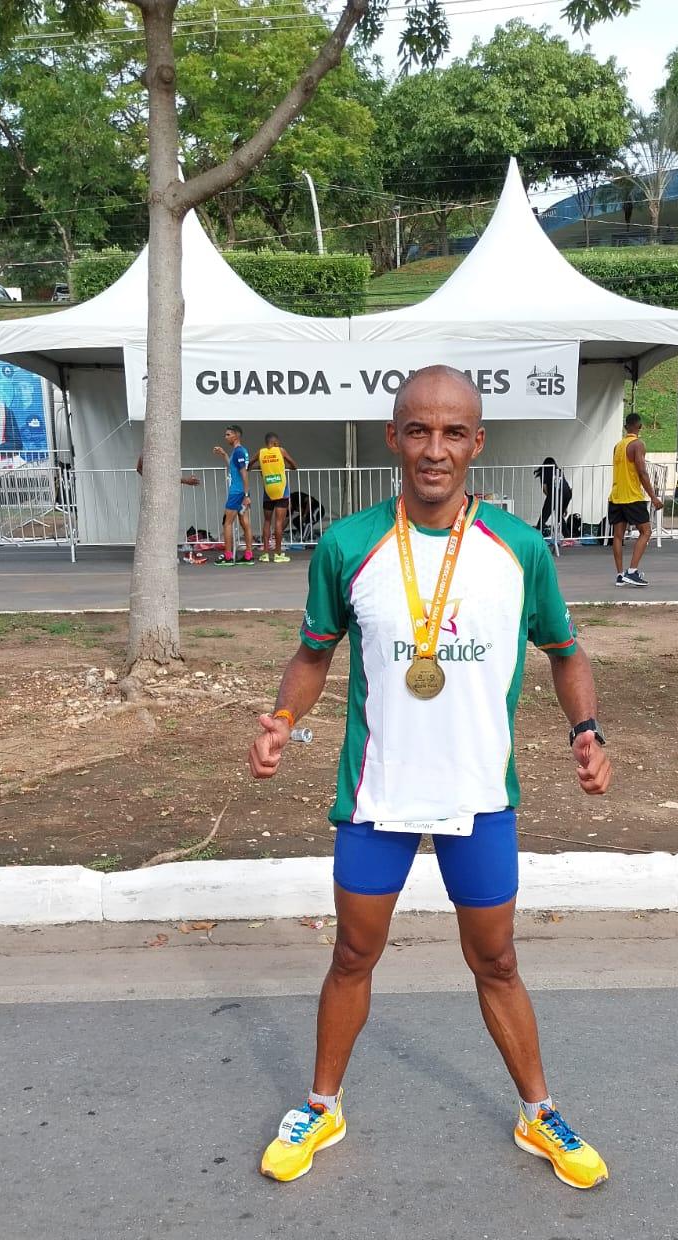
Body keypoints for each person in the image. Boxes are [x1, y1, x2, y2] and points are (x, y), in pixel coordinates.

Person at [248, 365, 612, 1192]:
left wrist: (586, 731)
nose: (434, 449)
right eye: (418, 430)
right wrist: (281, 722)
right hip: (378, 798)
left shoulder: (519, 547)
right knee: (352, 954)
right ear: (394, 437)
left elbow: (566, 652)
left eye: (453, 433)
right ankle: (322, 1104)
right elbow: (313, 653)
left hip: (479, 797)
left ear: (477, 442)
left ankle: (538, 1113)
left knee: (497, 963)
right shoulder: (348, 545)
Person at [607, 412, 663, 587]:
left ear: (626, 427)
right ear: (639, 427)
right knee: (646, 531)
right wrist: (653, 496)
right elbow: (642, 471)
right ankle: (632, 571)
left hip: (616, 496)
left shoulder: (618, 446)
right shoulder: (637, 445)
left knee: (618, 536)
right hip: (632, 496)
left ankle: (619, 574)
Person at [136, 452, 204, 563]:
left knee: (160, 525)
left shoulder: (148, 448)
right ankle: (162, 556)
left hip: (158, 493)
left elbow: (139, 468)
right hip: (159, 495)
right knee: (162, 525)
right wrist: (185, 481)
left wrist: (151, 480)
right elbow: (158, 475)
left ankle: (159, 555)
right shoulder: (154, 449)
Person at [213, 424, 253, 564]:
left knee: (227, 523)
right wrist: (224, 454)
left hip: (237, 492)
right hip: (242, 491)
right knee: (245, 523)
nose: (226, 437)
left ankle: (228, 556)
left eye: (228, 435)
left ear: (236, 435)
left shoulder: (239, 452)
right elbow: (233, 467)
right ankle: (248, 556)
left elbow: (244, 473)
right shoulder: (240, 451)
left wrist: (246, 495)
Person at [254, 432, 297, 563]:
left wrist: (260, 467)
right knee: (278, 522)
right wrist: (284, 467)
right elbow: (294, 466)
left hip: (268, 490)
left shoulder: (260, 452)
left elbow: (249, 465)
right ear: (275, 443)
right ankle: (278, 554)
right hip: (281, 490)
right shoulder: (281, 450)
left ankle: (265, 554)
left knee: (267, 521)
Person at [534, 456, 572, 541]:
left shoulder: (545, 471)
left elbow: (544, 488)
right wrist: (564, 507)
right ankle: (567, 537)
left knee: (544, 515)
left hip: (555, 493)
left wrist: (551, 498)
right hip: (567, 494)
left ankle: (536, 535)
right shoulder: (559, 471)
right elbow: (565, 487)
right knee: (559, 516)